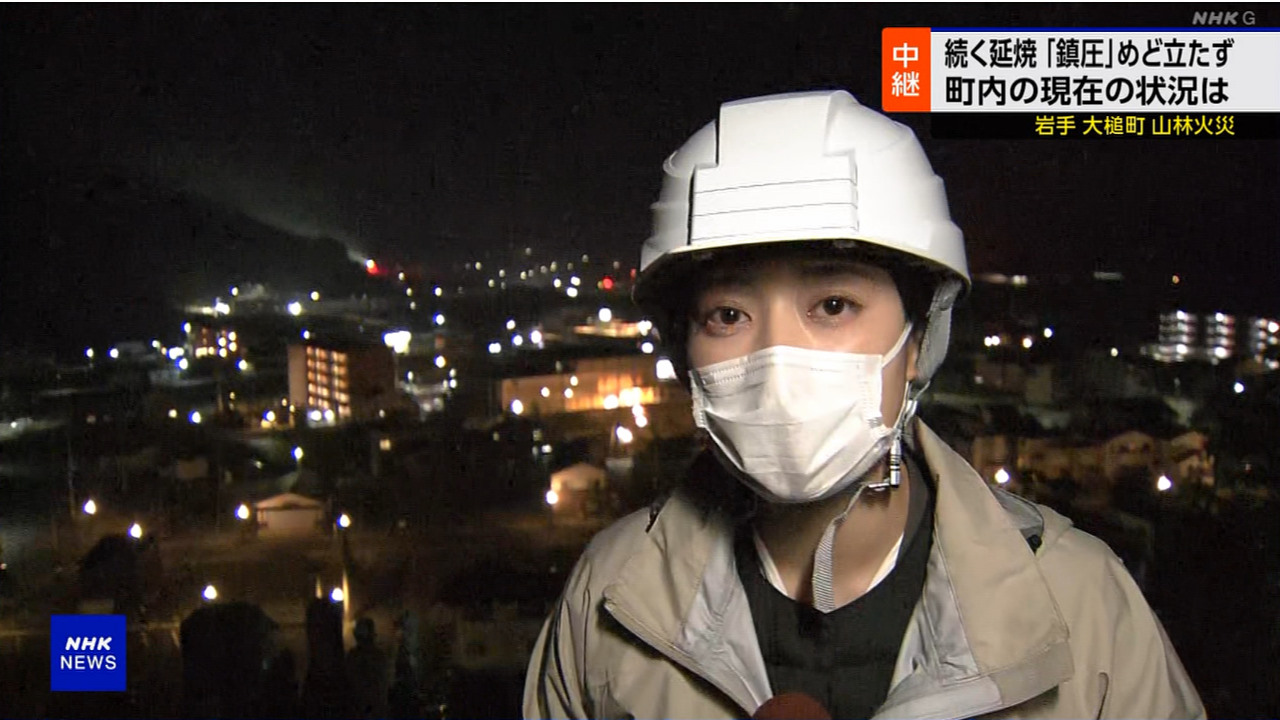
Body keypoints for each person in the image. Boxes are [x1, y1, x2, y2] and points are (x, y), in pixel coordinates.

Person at [523, 90, 1205, 719]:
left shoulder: (1082, 605)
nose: (778, 363)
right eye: (728, 315)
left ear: (918, 341)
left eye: (832, 305)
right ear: (684, 354)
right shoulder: (609, 597)